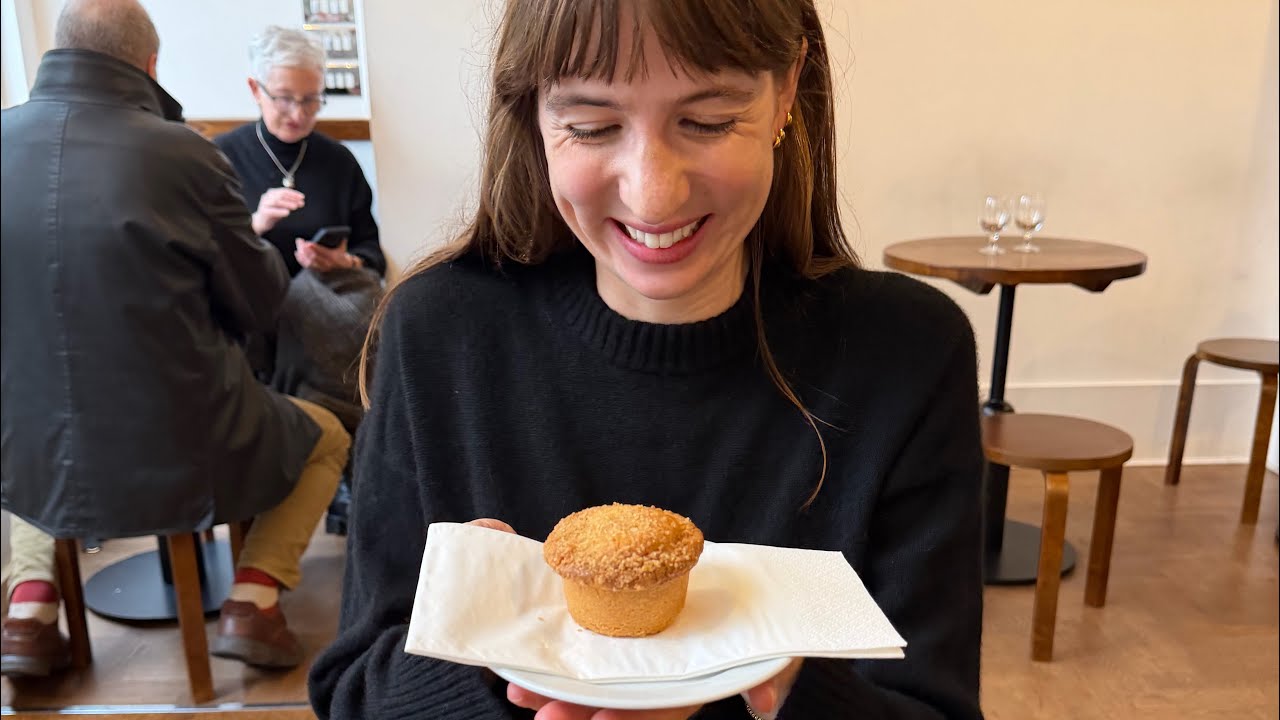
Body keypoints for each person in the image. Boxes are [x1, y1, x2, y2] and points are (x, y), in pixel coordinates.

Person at [308, 0, 984, 718]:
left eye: (709, 120)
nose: (653, 195)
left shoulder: (907, 354)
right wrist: (497, 656)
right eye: (592, 126)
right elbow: (354, 690)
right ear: (533, 112)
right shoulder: (439, 335)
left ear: (787, 89)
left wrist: (785, 689)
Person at [1, 0, 350, 677]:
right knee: (328, 436)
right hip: (182, 443)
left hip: (31, 439)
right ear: (150, 64)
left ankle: (29, 612)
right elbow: (260, 302)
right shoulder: (182, 152)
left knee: (30, 451)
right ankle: (254, 600)